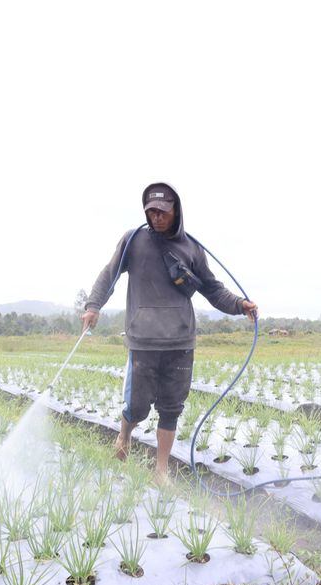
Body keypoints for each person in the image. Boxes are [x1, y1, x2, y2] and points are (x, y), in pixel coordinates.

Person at [82, 182, 258, 484]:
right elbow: (108, 274)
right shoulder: (133, 241)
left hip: (180, 341)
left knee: (171, 407)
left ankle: (160, 469)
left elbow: (213, 289)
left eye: (163, 212)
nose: (156, 218)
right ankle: (125, 434)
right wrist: (93, 305)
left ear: (176, 210)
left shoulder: (191, 248)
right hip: (143, 341)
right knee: (137, 407)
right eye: (151, 212)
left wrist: (240, 305)